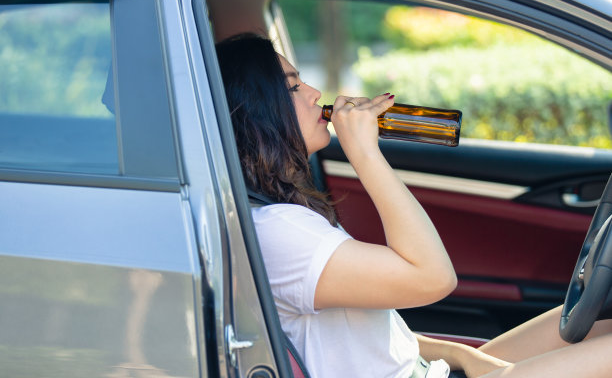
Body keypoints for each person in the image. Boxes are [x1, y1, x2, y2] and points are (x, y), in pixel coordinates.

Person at [215, 33, 612, 378]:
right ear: (255, 114)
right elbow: (435, 278)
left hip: (429, 369)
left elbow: (377, 340)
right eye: (292, 87)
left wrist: (463, 355)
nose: (315, 94)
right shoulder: (278, 230)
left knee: (597, 323)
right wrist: (366, 155)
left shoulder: (284, 216)